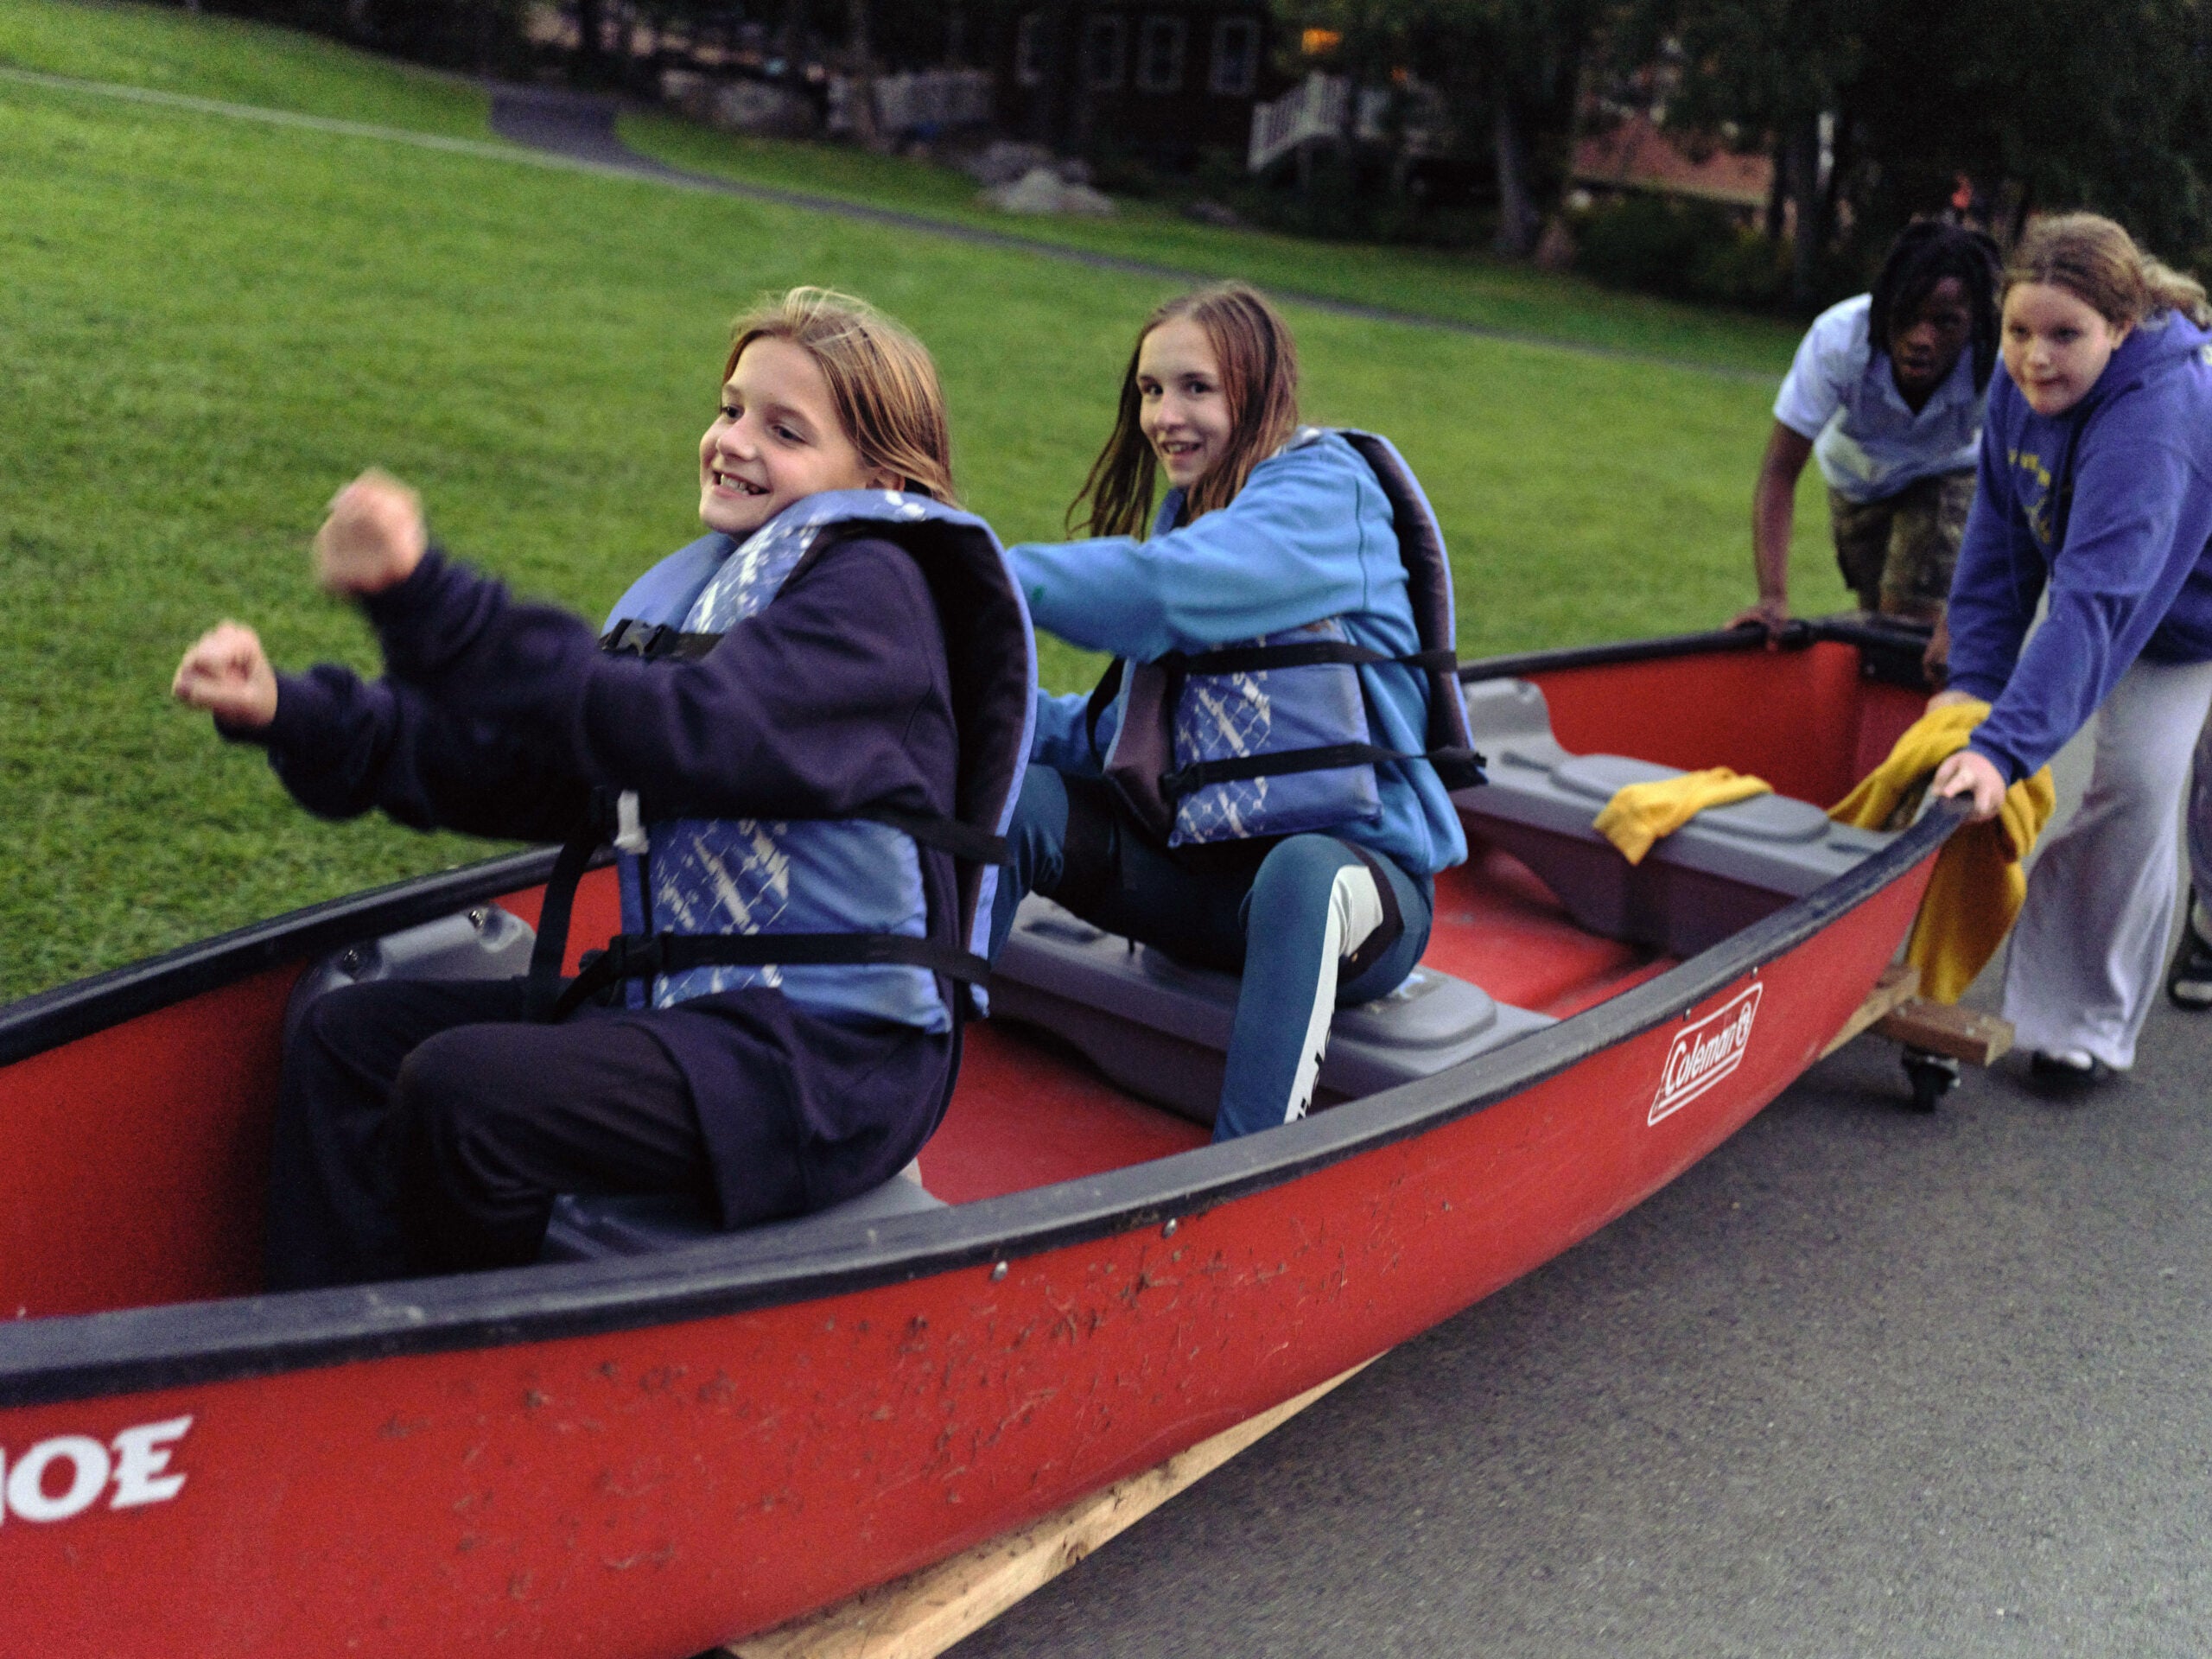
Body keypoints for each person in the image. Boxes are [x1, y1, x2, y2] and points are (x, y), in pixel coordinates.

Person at [171, 288, 1034, 1287]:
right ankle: (312, 1350)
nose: (732, 440)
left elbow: (679, 734)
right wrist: (297, 714)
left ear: (878, 475)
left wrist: (429, 604)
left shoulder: (876, 595)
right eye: (729, 408)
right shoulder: (730, 585)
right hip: (694, 1012)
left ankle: (456, 1379)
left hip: (830, 1063)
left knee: (468, 1092)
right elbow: (538, 775)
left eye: (783, 430)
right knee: (349, 1036)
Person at [986, 283, 1478, 1142]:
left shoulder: (1327, 495)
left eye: (1195, 388)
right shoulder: (1197, 525)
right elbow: (1112, 744)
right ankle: (889, 1100)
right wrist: (968, 704)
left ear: (1258, 390)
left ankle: (1243, 1176)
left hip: (1352, 904)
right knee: (1015, 802)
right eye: (1149, 391)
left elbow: (1162, 591)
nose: (1164, 415)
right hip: (1194, 890)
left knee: (1302, 872)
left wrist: (974, 574)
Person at [1929, 215, 2212, 1084]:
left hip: (2191, 613)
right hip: (2145, 602)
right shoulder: (2020, 387)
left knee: (2185, 790)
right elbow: (1998, 547)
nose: (2035, 357)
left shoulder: (2157, 418)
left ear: (2121, 329)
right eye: (2018, 331)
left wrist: (2002, 750)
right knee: (2132, 784)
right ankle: (2073, 1026)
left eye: (2064, 336)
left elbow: (2094, 605)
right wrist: (1973, 693)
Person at [1734, 221, 2004, 676]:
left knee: (1907, 627)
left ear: (1974, 322)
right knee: (1875, 623)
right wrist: (1773, 598)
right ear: (1885, 306)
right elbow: (1780, 470)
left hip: (1945, 472)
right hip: (1855, 481)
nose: (1922, 337)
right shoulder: (1838, 340)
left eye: (1945, 322)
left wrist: (1963, 614)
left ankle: (1918, 737)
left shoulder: (1995, 364)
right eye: (1909, 314)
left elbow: (2011, 495)